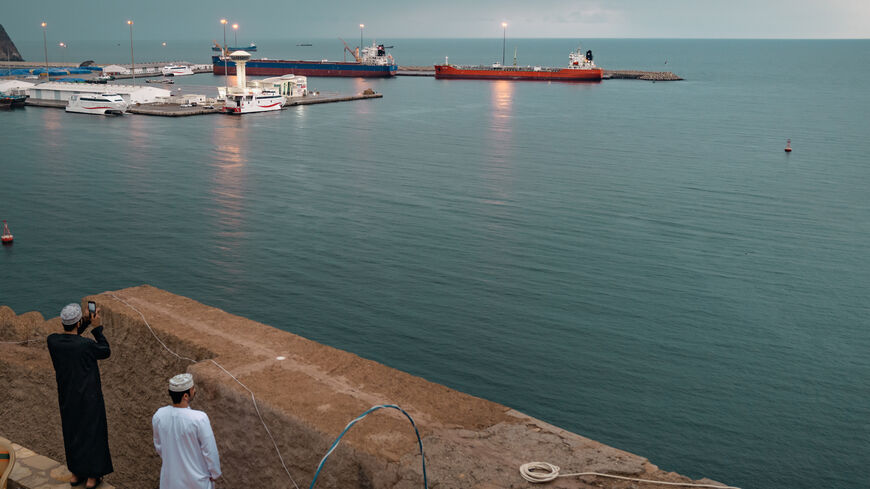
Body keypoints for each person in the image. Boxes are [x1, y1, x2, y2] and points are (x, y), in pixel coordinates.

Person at [46, 303, 113, 489]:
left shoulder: (53, 341)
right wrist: (97, 327)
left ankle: (76, 473)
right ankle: (92, 477)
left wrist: (84, 322)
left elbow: (72, 337)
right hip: (89, 398)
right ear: (77, 323)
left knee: (72, 433)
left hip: (67, 397)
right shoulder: (86, 346)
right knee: (92, 434)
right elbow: (105, 350)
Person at [152, 373, 222, 489]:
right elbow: (209, 450)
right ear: (185, 396)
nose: (195, 391)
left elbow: (159, 447)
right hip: (197, 482)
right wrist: (215, 473)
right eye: (193, 389)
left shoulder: (159, 416)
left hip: (170, 481)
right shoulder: (199, 419)